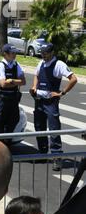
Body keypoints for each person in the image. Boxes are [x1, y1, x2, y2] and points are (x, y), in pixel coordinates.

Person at [30, 43, 78, 171]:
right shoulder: (41, 63)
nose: (43, 55)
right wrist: (34, 87)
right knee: (39, 127)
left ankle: (57, 157)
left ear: (52, 52)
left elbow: (73, 79)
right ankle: (42, 153)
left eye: (45, 53)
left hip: (51, 101)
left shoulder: (59, 64)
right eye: (42, 53)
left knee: (54, 129)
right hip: (39, 100)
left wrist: (62, 92)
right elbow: (36, 75)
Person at [0, 44, 26, 137]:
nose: (15, 55)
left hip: (14, 100)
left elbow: (23, 81)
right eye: (12, 53)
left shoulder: (16, 65)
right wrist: (16, 82)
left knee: (13, 121)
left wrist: (11, 80)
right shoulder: (1, 66)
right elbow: (3, 84)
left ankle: (6, 144)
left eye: (15, 53)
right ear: (5, 54)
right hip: (3, 100)